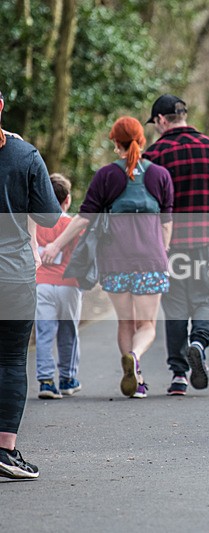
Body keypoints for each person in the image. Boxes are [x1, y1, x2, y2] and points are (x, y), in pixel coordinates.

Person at [43, 117, 174, 400]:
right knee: (147, 325)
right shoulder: (160, 175)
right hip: (150, 261)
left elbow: (83, 219)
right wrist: (163, 252)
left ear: (116, 143)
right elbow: (166, 223)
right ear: (142, 139)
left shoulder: (106, 175)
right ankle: (136, 360)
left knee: (125, 323)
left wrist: (55, 244)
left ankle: (134, 375)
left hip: (115, 261)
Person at [142, 94, 209, 396]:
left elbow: (148, 206)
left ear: (161, 120)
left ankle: (178, 375)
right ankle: (198, 343)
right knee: (208, 298)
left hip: (169, 245)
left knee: (174, 307)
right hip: (208, 240)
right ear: (184, 115)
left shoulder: (153, 155)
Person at [0, 89, 62, 479]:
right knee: (9, 360)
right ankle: (5, 451)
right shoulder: (24, 156)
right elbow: (50, 217)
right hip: (12, 273)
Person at [35, 173, 82, 399]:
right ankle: (68, 378)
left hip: (41, 284)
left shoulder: (34, 224)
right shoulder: (73, 225)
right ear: (68, 200)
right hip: (69, 285)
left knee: (44, 333)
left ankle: (45, 381)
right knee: (69, 331)